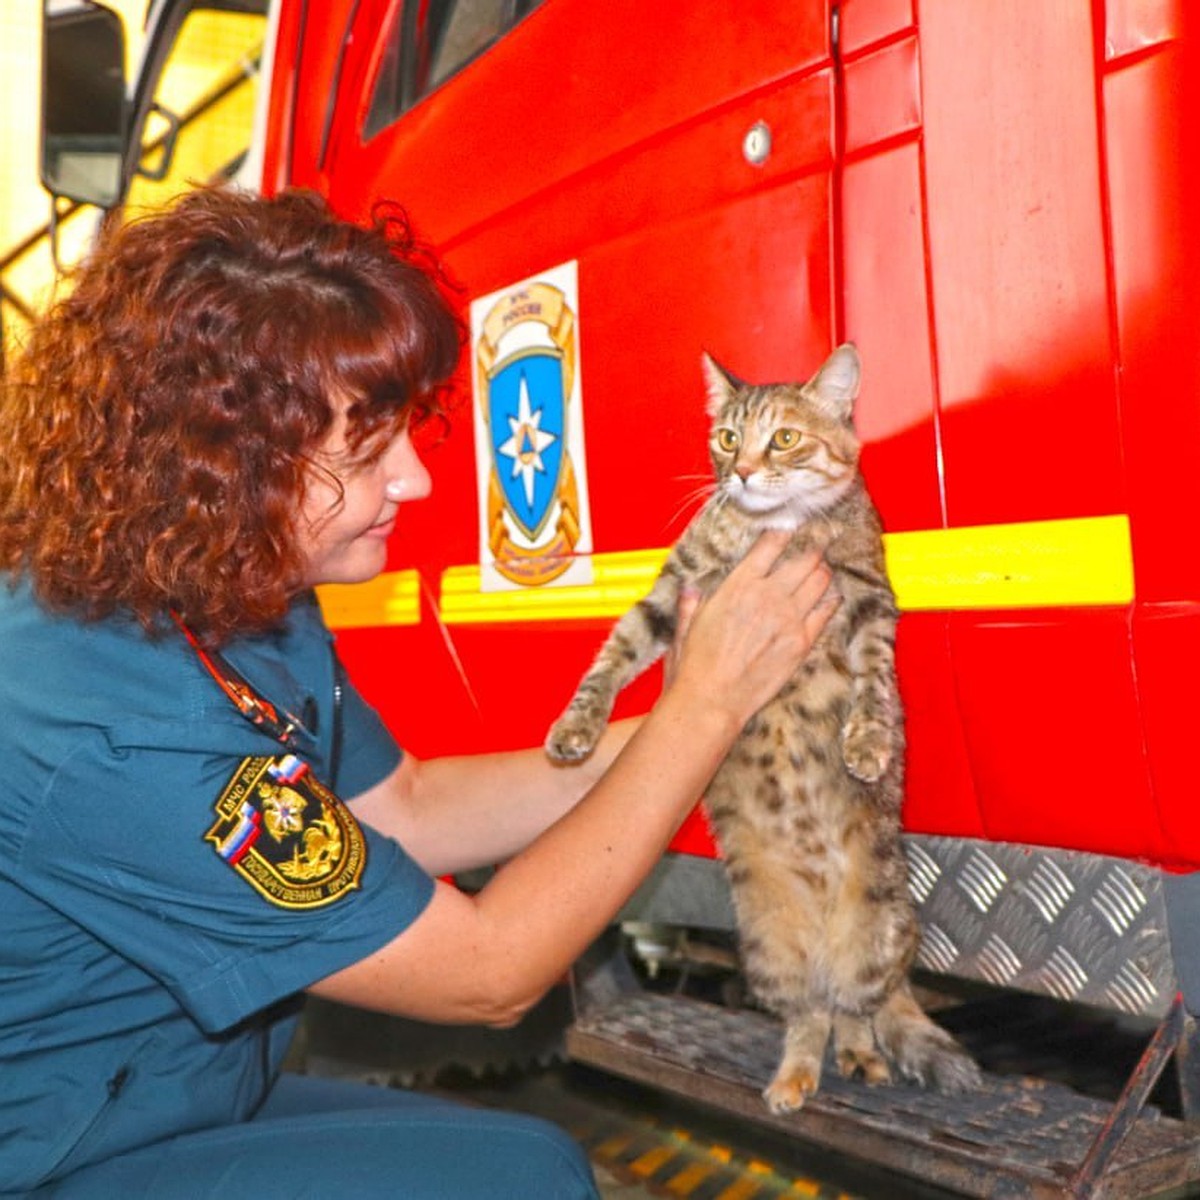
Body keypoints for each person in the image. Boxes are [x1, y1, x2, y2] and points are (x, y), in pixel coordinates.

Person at [0, 186, 836, 1198]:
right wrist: (701, 710)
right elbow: (488, 974)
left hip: (171, 1087)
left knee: (525, 1163)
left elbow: (408, 808)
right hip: (59, 1147)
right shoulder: (119, 729)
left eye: (402, 432)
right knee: (519, 1186)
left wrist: (681, 722)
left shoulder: (229, 587)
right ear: (222, 471)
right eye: (364, 453)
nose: (417, 481)